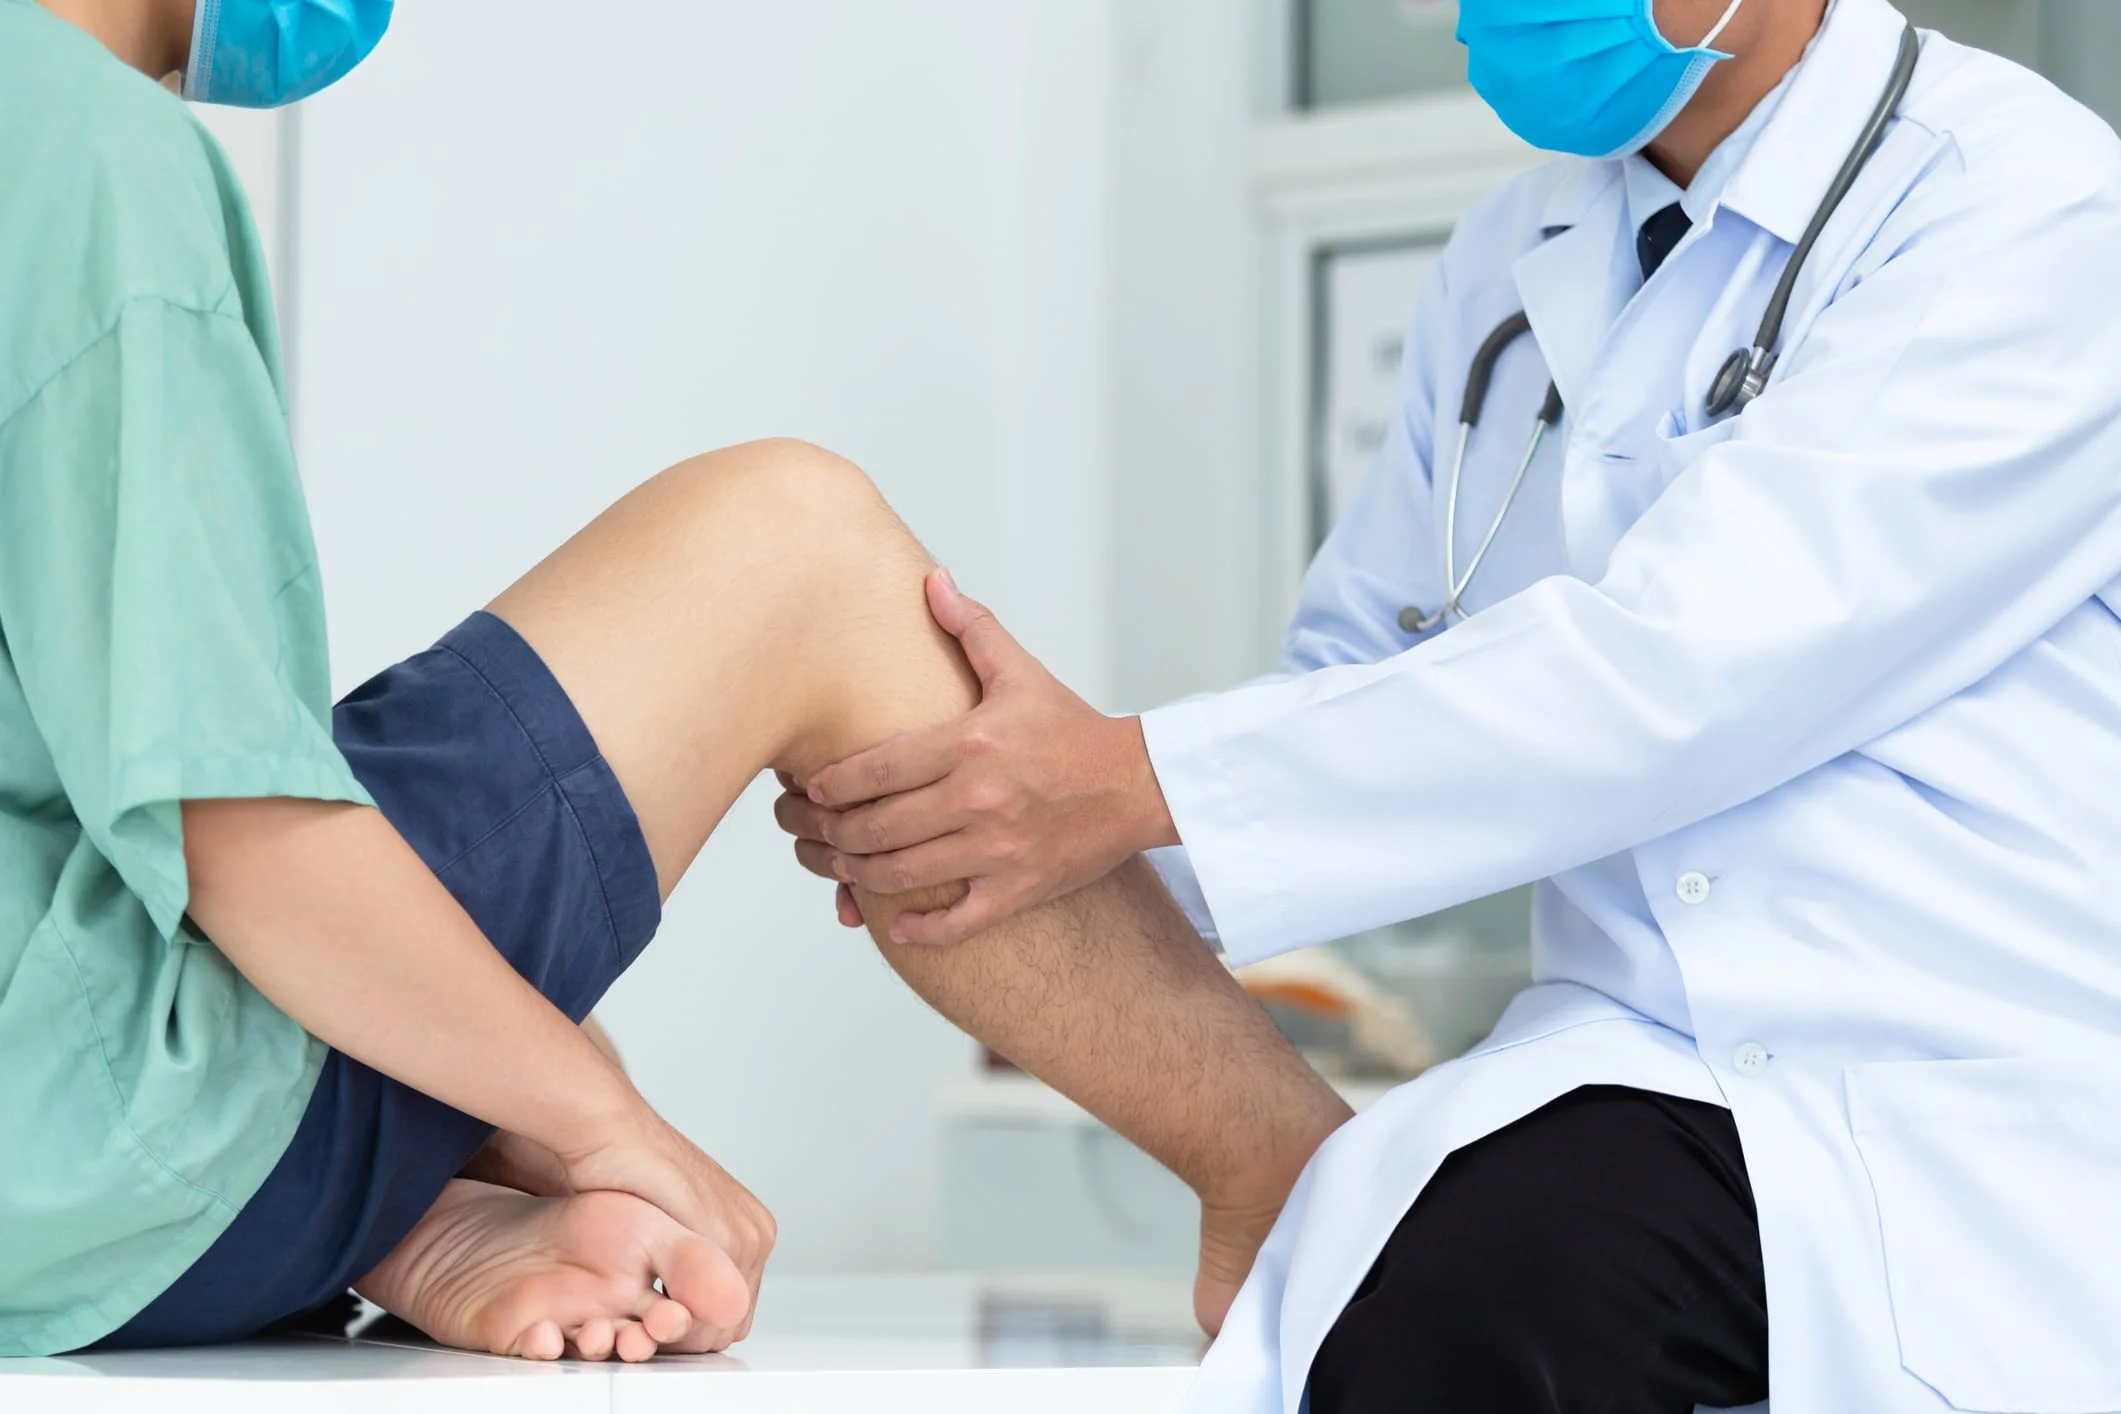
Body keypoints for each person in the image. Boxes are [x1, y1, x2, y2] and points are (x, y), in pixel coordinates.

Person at [778, 0, 2121, 1410]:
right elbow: (1362, 669)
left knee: (1476, 1299)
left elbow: (1689, 666)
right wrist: (1035, 858)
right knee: (1437, 1285)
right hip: (1637, 1080)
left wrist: (1115, 784)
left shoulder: (2029, 210)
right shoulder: (1514, 258)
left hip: (1941, 1097)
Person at [0, 0, 1354, 1363]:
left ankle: (405, 1205)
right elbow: (233, 826)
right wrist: (607, 1127)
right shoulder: (81, 137)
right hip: (102, 1153)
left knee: (453, 964)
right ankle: (1312, 1196)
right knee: (802, 554)